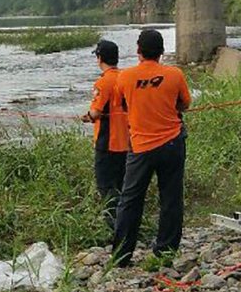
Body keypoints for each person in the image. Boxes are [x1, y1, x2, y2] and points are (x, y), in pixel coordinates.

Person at [112, 29, 191, 267]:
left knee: (130, 199)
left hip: (141, 147)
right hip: (172, 143)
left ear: (138, 51)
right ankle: (165, 252)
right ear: (162, 51)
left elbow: (120, 103)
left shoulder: (125, 77)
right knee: (171, 198)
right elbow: (185, 103)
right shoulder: (175, 74)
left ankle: (122, 256)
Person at [80, 39, 129, 230]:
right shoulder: (127, 77)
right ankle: (128, 224)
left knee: (107, 187)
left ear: (99, 58)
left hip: (107, 143)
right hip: (128, 143)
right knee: (124, 187)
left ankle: (113, 228)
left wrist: (87, 117)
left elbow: (96, 112)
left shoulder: (103, 81)